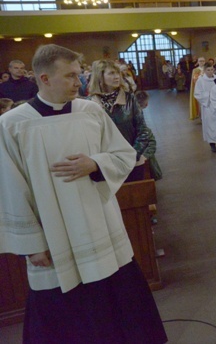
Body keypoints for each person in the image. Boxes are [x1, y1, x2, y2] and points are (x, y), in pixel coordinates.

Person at [0, 44, 167, 343]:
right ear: (44, 78)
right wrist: (31, 244)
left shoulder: (90, 111)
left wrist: (95, 163)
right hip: (53, 234)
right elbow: (10, 188)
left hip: (98, 223)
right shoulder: (12, 125)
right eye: (70, 76)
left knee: (117, 302)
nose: (79, 82)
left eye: (78, 75)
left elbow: (122, 153)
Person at [88, 60, 155, 183]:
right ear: (100, 76)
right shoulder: (90, 104)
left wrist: (133, 155)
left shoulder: (129, 98)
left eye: (118, 73)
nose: (117, 77)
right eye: (111, 73)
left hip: (132, 161)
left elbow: (143, 130)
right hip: (106, 163)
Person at [193, 63, 216, 152]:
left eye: (212, 69)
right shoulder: (200, 80)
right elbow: (197, 94)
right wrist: (210, 95)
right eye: (208, 70)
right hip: (208, 106)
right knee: (210, 125)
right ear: (204, 71)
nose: (210, 72)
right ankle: (212, 144)